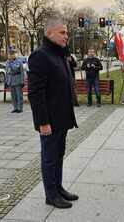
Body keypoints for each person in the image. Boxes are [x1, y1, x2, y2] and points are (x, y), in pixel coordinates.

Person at [28, 16, 78, 209]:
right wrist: (42, 122)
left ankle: (59, 188)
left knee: (58, 155)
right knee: (49, 158)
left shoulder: (59, 54)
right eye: (62, 32)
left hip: (62, 117)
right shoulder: (40, 55)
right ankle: (51, 195)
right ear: (49, 33)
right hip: (49, 120)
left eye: (67, 32)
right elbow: (35, 92)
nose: (67, 35)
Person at [6, 49, 25, 113]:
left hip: (17, 80)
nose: (10, 56)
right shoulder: (7, 62)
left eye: (12, 54)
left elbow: (16, 70)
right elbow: (7, 72)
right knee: (13, 95)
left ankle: (20, 108)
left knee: (19, 95)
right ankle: (15, 107)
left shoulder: (18, 62)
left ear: (15, 55)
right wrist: (7, 81)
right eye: (9, 54)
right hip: (11, 80)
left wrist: (22, 81)